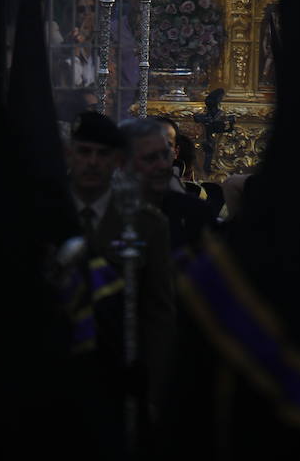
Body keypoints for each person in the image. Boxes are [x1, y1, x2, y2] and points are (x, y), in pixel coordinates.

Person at [66, 110, 174, 417]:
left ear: (117, 162)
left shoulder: (145, 223)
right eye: (84, 152)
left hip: (117, 371)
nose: (92, 162)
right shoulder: (46, 213)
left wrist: (154, 388)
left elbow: (158, 311)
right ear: (69, 154)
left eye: (102, 155)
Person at [120, 116, 217, 255]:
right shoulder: (108, 209)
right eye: (150, 157)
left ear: (175, 153)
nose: (162, 165)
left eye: (165, 155)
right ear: (124, 161)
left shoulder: (196, 212)